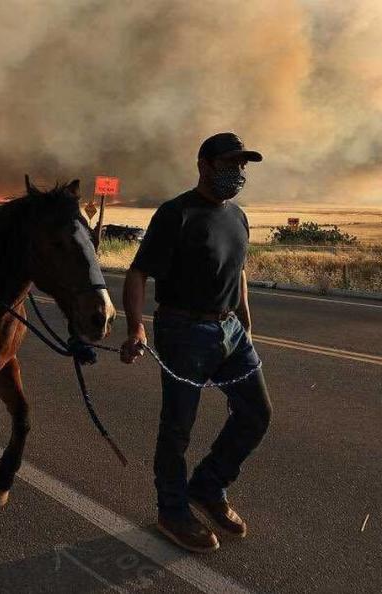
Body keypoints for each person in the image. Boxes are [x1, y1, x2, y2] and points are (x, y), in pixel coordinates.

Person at [120, 132, 273, 554]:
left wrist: (243, 316)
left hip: (230, 331)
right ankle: (172, 510)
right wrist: (136, 327)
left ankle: (207, 486)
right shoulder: (176, 214)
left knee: (256, 413)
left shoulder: (238, 217)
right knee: (178, 427)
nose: (238, 172)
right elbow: (137, 274)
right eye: (230, 163)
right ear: (204, 165)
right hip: (183, 331)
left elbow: (237, 268)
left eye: (243, 165)